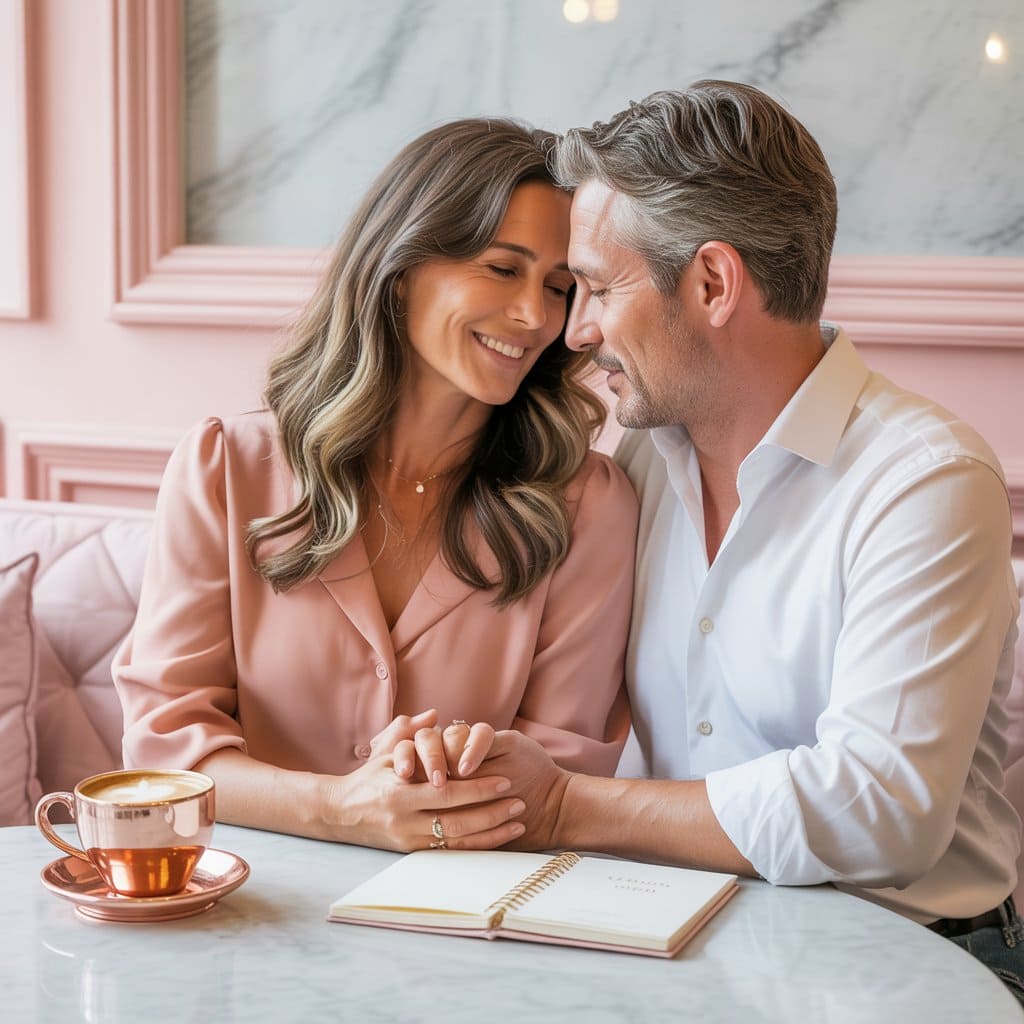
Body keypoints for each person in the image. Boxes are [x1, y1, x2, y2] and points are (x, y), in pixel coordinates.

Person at [429, 82, 1024, 1001]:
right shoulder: (627, 460)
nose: (573, 332)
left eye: (595, 287)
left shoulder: (925, 481)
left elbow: (882, 813)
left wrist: (563, 805)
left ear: (712, 282)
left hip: (914, 965)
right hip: (673, 941)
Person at [112, 117, 636, 853]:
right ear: (401, 265)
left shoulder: (587, 507)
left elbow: (560, 773)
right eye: (501, 268)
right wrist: (340, 807)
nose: (535, 317)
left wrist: (449, 775)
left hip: (467, 919)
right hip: (248, 910)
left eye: (559, 287)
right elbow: (167, 752)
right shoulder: (226, 468)